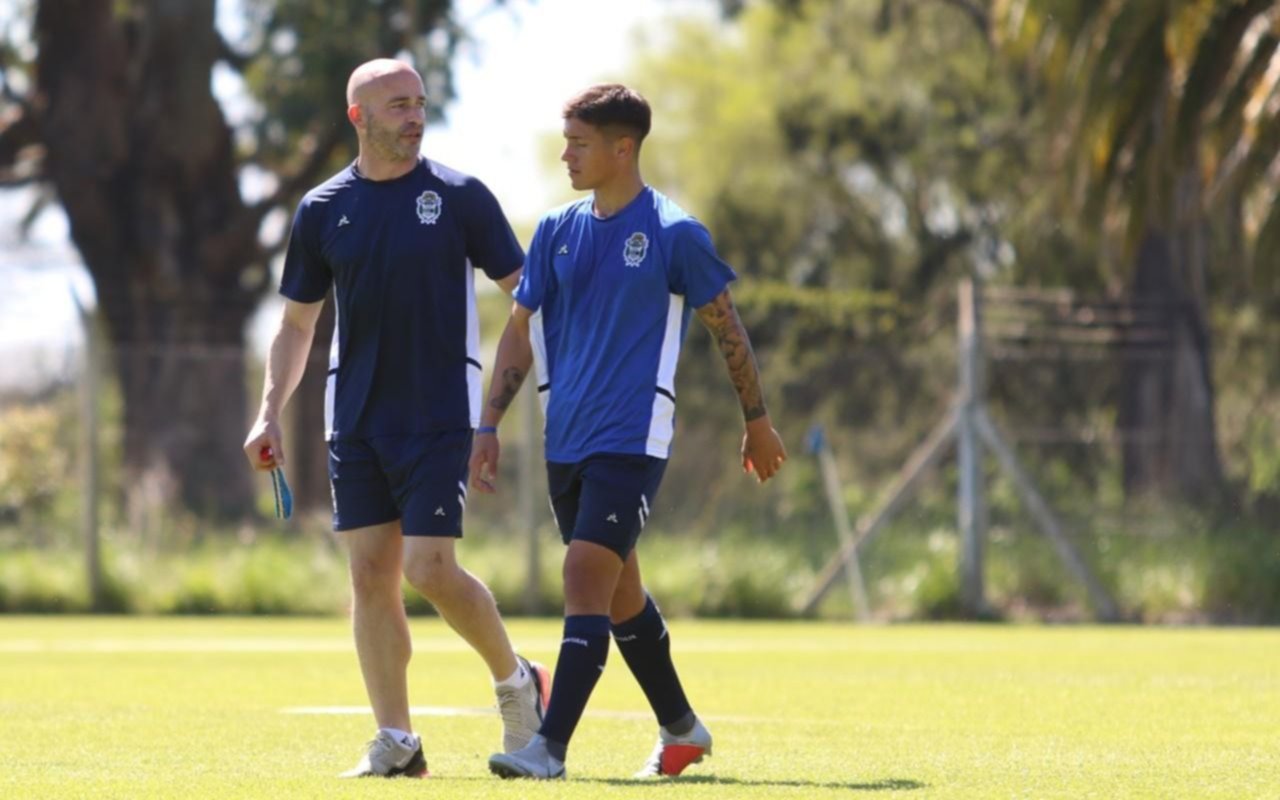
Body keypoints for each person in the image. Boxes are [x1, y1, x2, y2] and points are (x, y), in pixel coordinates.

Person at [242, 58, 549, 779]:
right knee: (370, 578)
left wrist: (503, 403)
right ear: (360, 117)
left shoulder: (461, 196)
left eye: (419, 103)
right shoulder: (322, 210)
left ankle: (518, 682)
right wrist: (268, 414)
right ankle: (397, 742)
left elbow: (530, 295)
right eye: (397, 105)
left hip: (441, 412)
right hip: (354, 418)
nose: (414, 117)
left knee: (428, 568)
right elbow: (295, 328)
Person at [471, 84, 787, 781]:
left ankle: (547, 749)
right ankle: (682, 728)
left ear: (623, 148)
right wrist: (488, 422)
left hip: (632, 438)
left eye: (578, 144)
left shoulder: (675, 233)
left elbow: (726, 327)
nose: (565, 156)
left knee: (584, 574)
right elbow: (521, 332)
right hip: (567, 441)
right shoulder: (555, 229)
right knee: (619, 594)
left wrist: (756, 420)